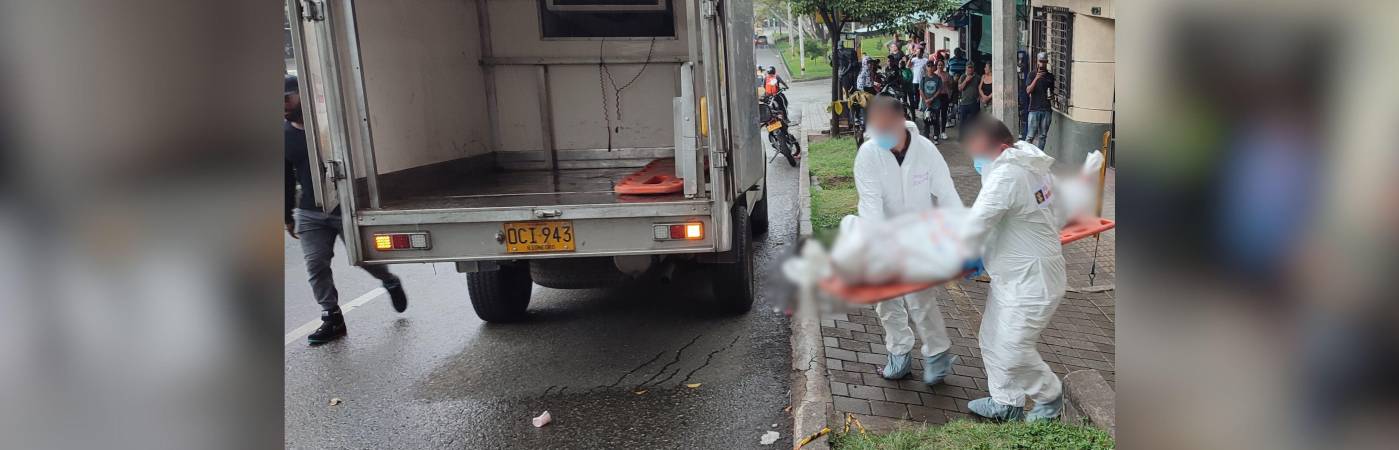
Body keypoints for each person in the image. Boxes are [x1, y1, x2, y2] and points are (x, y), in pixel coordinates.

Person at [284, 75, 409, 345]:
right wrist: (286, 216)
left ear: (301, 97)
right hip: (309, 211)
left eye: (286, 98)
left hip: (346, 207)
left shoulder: (332, 129)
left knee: (364, 258)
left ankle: (388, 280)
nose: (282, 105)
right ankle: (332, 317)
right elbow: (283, 176)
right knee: (316, 264)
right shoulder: (283, 134)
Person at [957, 117, 1067, 422]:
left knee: (1013, 349)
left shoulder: (1007, 173)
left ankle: (1050, 397)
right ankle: (1005, 402)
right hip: (1014, 275)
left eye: (979, 152)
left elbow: (977, 223)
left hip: (1033, 280)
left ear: (1002, 147)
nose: (976, 160)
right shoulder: (1028, 161)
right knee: (991, 338)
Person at [854, 95, 964, 385]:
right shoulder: (868, 154)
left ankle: (937, 355)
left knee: (921, 298)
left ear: (901, 121)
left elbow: (947, 192)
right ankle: (899, 353)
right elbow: (870, 204)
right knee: (886, 298)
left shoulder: (925, 150)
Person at [1024, 52, 1056, 150]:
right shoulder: (1032, 74)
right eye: (1041, 61)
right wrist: (1036, 78)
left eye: (1045, 62)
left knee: (1043, 136)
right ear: (1037, 62)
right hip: (1034, 109)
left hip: (1046, 109)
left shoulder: (1050, 76)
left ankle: (1039, 157)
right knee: (1030, 136)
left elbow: (1052, 92)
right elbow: (1028, 91)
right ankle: (1025, 156)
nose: (1042, 64)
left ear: (1047, 62)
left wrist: (1052, 97)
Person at [918, 61, 943, 140]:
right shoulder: (923, 78)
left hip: (935, 103)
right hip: (925, 103)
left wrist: (932, 99)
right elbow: (921, 90)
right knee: (926, 121)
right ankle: (926, 137)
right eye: (928, 66)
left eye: (932, 66)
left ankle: (936, 136)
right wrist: (926, 100)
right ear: (926, 67)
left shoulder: (938, 78)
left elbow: (939, 90)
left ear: (934, 67)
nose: (930, 68)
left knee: (936, 120)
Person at [956, 62, 981, 132]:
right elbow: (960, 88)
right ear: (966, 68)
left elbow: (980, 88)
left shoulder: (977, 77)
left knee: (974, 122)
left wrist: (979, 97)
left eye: (971, 67)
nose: (970, 69)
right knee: (962, 122)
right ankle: (962, 138)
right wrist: (966, 81)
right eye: (968, 67)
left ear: (973, 68)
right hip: (964, 103)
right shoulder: (963, 76)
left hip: (974, 103)